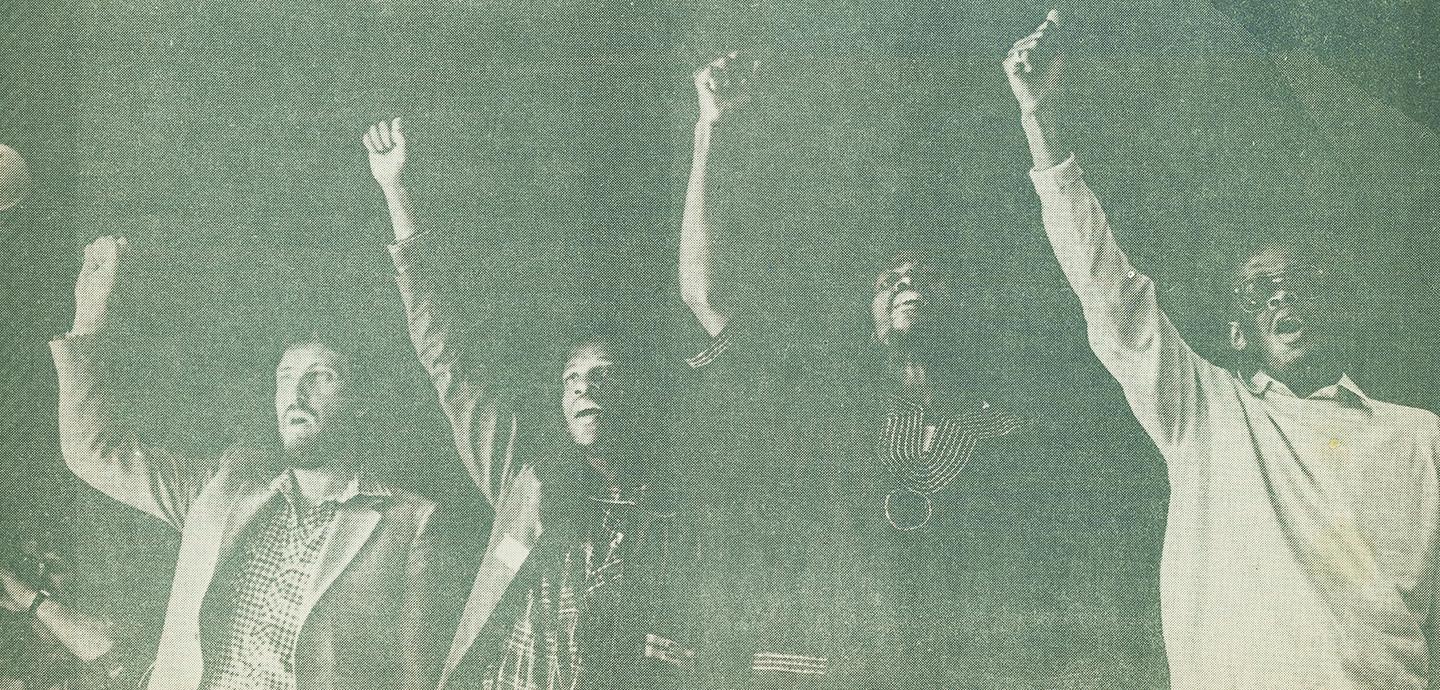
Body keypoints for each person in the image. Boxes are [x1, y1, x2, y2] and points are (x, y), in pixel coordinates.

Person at [1006, 10, 1440, 689]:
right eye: (1260, 289)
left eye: (1304, 283)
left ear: (1344, 307)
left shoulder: (1422, 439)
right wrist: (1042, 125)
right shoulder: (1206, 415)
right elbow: (1109, 293)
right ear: (1238, 332)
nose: (1282, 297)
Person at [680, 52, 1098, 688]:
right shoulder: (832, 403)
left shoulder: (1013, 433)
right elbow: (710, 298)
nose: (907, 282)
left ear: (968, 302)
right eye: (889, 278)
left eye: (927, 274)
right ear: (868, 311)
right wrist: (711, 127)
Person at [364, 118, 704, 690]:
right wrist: (396, 193)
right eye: (572, 378)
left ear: (635, 396)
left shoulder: (676, 510)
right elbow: (449, 360)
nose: (584, 388)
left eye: (602, 376)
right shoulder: (525, 481)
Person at [50, 235, 464, 690]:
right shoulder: (225, 483)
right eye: (285, 377)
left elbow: (418, 678)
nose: (296, 395)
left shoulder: (410, 522)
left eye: (321, 377)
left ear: (360, 402)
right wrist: (89, 319)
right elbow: (93, 452)